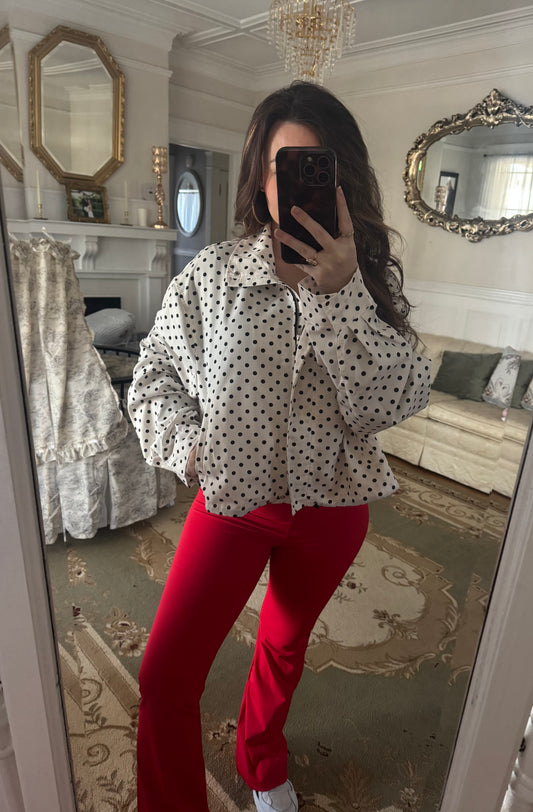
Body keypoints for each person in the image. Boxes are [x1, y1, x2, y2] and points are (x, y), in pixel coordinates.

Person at [127, 81, 431, 812]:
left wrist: (342, 296)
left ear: (341, 176)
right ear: (260, 179)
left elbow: (391, 403)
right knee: (166, 676)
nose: (293, 183)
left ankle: (261, 764)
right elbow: (151, 378)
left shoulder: (368, 284)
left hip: (332, 508)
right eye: (279, 165)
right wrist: (191, 449)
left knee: (283, 646)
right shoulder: (211, 277)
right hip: (233, 502)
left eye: (313, 166)